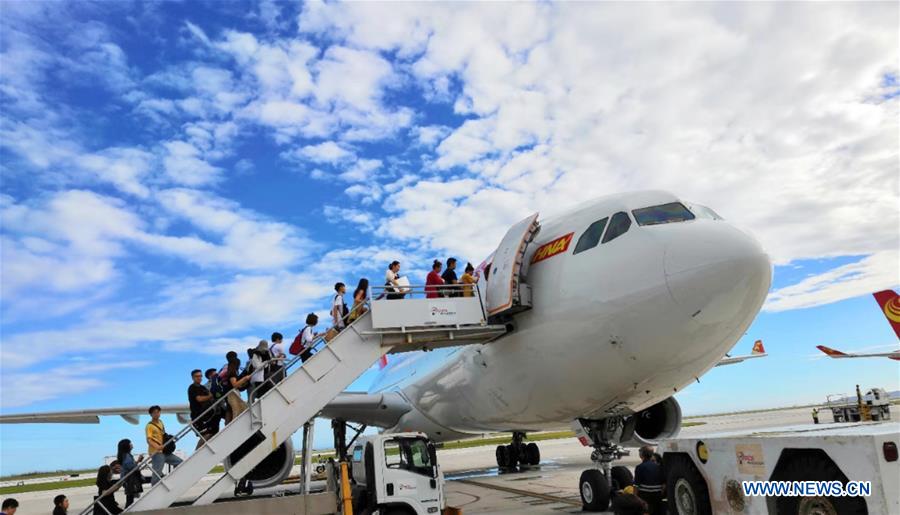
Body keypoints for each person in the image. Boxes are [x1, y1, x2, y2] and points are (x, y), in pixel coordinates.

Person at [146, 405, 183, 485]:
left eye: (158, 412)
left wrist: (171, 438)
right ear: (151, 414)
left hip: (165, 451)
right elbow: (149, 440)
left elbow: (163, 434)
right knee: (157, 473)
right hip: (156, 452)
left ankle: (171, 479)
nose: (157, 414)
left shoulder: (160, 422)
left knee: (180, 462)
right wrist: (157, 447)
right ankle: (154, 492)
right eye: (154, 413)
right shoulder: (149, 426)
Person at [634, 445, 665, 515]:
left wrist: (635, 496)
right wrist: (660, 494)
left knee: (645, 511)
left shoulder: (640, 467)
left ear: (641, 455)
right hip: (657, 494)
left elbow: (636, 485)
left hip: (644, 495)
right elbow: (663, 484)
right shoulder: (659, 467)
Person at [187, 370, 214, 448]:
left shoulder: (203, 388)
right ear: (193, 378)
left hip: (206, 416)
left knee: (211, 435)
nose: (199, 378)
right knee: (206, 436)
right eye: (197, 376)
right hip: (197, 417)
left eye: (200, 376)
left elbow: (210, 397)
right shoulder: (192, 388)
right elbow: (199, 399)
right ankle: (196, 454)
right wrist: (210, 396)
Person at [223, 352, 250, 423]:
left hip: (228, 393)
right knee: (237, 410)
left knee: (230, 410)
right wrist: (245, 378)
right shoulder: (232, 373)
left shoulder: (227, 370)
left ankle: (228, 426)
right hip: (232, 394)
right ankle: (231, 426)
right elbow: (234, 384)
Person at [116, 439, 143, 507]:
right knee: (130, 500)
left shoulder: (125, 455)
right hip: (129, 480)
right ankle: (126, 512)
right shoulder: (127, 456)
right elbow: (131, 467)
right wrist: (138, 460)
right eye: (130, 443)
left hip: (127, 480)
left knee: (130, 499)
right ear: (126, 446)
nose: (131, 444)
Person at [203, 368, 223, 435]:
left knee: (230, 417)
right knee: (213, 431)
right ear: (209, 376)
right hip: (214, 410)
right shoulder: (205, 386)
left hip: (222, 406)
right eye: (213, 373)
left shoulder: (220, 380)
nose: (216, 374)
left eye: (215, 372)